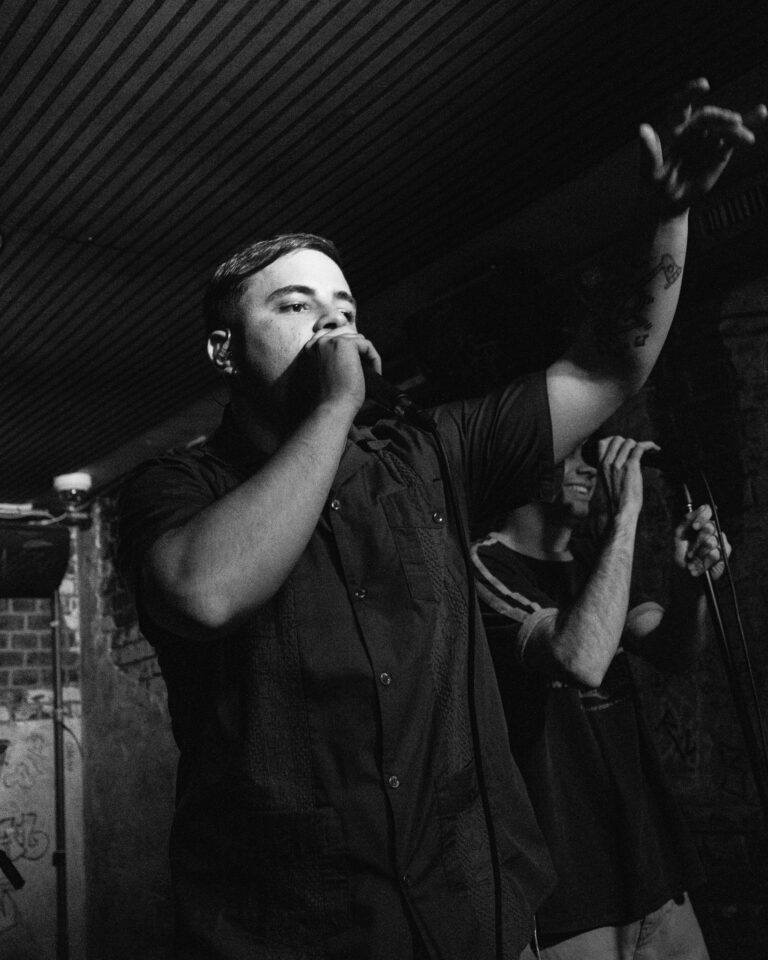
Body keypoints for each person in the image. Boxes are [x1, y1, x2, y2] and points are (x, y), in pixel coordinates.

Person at [117, 81, 763, 960]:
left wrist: (670, 217)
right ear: (223, 349)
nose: (331, 325)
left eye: (345, 311)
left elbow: (607, 367)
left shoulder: (428, 454)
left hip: (471, 919)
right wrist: (334, 407)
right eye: (296, 306)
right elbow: (206, 594)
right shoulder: (175, 488)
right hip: (300, 936)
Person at [471, 436, 731, 959]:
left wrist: (690, 589)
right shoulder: (485, 566)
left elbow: (673, 650)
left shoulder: (595, 561)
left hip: (652, 870)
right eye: (572, 451)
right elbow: (580, 657)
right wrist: (627, 515)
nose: (588, 468)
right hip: (571, 894)